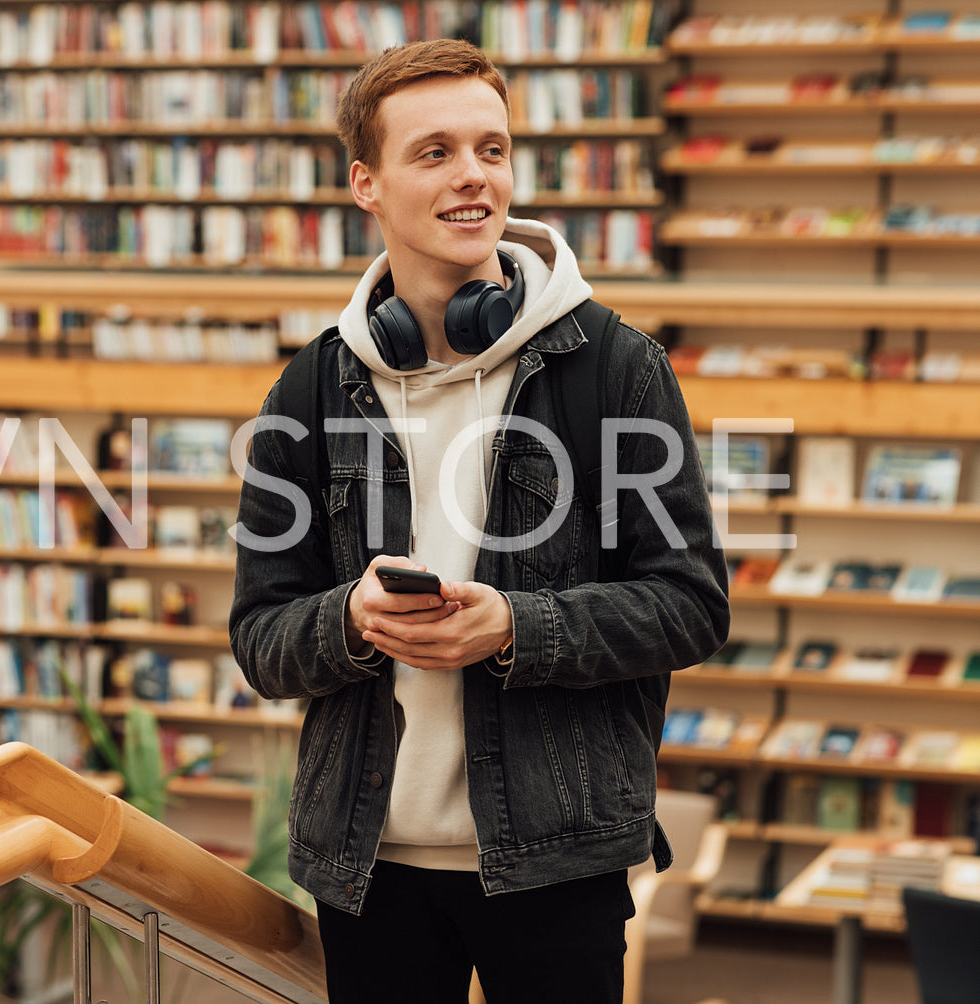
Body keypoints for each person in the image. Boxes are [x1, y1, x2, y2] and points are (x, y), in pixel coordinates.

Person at [228, 39, 730, 1004]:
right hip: (368, 869)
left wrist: (512, 626)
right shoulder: (310, 386)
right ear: (365, 182)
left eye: (491, 150)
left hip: (559, 860)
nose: (473, 177)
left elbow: (687, 607)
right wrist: (349, 622)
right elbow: (260, 638)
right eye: (435, 153)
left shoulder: (615, 367)